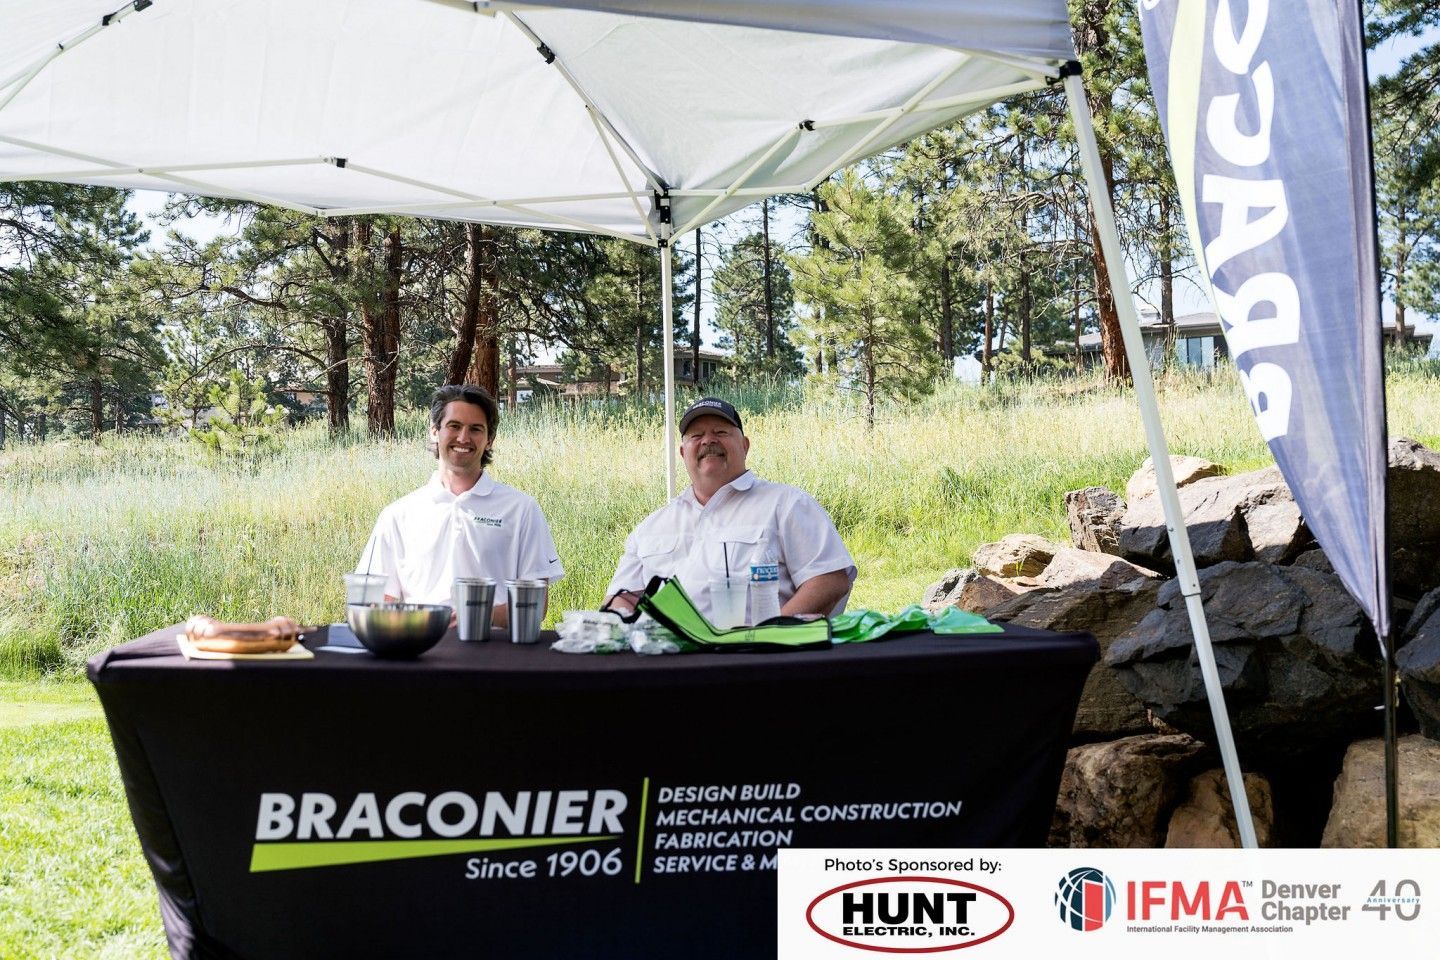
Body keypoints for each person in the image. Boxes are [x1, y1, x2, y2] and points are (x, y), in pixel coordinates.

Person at [605, 397, 855, 621]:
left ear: (744, 446)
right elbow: (621, 599)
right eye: (696, 435)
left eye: (721, 432)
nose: (708, 440)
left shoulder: (787, 504)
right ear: (683, 453)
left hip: (751, 665)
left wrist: (766, 639)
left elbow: (828, 581)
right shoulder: (651, 526)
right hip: (665, 663)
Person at [357, 384, 562, 628]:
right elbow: (375, 600)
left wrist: (474, 617)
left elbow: (536, 605)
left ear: (489, 440)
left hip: (496, 656)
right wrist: (419, 625)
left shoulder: (521, 509)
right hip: (421, 654)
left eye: (476, 429)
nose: (463, 438)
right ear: (435, 432)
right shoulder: (398, 514)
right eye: (454, 426)